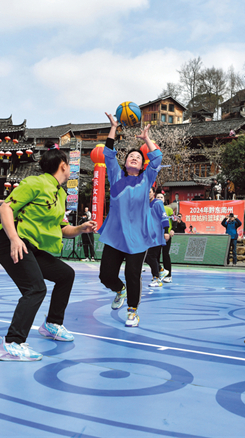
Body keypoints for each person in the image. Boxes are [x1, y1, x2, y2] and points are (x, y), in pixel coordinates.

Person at [0, 143, 96, 361]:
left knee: (66, 275)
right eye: (69, 165)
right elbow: (5, 208)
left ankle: (52, 324)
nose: (70, 170)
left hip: (32, 247)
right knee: (35, 289)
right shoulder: (35, 183)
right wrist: (13, 238)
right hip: (12, 241)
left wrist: (80, 228)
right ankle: (11, 344)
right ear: (63, 166)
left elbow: (62, 229)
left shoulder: (59, 194)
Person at [97, 113, 161, 328]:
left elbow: (158, 159)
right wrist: (114, 127)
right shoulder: (116, 177)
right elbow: (108, 154)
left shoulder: (146, 180)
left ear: (142, 164)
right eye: (130, 156)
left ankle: (132, 311)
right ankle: (119, 290)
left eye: (138, 157)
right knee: (106, 276)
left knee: (133, 274)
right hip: (115, 236)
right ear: (124, 163)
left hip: (138, 237)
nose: (134, 157)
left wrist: (146, 140)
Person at [145, 186, 170, 288]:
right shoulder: (145, 204)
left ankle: (157, 278)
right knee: (146, 257)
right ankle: (161, 270)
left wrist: (166, 231)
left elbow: (164, 217)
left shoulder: (158, 203)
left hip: (156, 235)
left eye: (149, 192)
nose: (148, 194)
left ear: (153, 193)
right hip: (147, 235)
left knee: (151, 256)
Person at [158, 194, 174, 283]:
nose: (159, 199)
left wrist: (172, 230)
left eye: (161, 197)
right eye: (158, 197)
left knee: (165, 254)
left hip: (166, 235)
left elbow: (174, 220)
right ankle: (156, 275)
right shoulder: (152, 208)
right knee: (154, 255)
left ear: (164, 200)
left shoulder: (168, 209)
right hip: (156, 235)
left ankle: (169, 275)